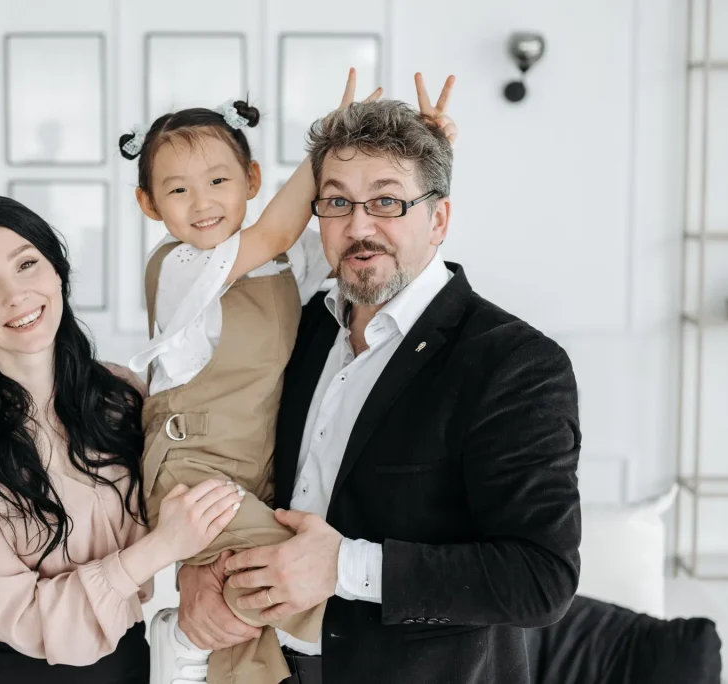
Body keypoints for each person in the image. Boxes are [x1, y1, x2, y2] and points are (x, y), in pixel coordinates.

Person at [176, 74, 582, 684]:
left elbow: (540, 579)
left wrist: (342, 566)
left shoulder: (515, 364)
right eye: (337, 202)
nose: (359, 227)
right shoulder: (302, 326)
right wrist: (194, 572)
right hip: (264, 665)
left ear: (439, 219)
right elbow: (235, 454)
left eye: (388, 202)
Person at [0, 195, 245, 684]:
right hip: (6, 672)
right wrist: (162, 547)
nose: (15, 295)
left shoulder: (126, 395)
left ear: (57, 272)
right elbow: (25, 617)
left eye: (26, 264)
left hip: (127, 662)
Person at [121, 70, 381, 684]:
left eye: (218, 181)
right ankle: (179, 638)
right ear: (149, 204)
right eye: (177, 190)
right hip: (191, 470)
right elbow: (275, 229)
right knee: (302, 581)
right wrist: (327, 142)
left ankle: (206, 660)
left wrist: (395, 151)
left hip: (255, 472)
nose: (202, 202)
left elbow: (348, 238)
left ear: (252, 181)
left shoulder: (288, 260)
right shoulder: (181, 266)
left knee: (249, 623)